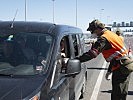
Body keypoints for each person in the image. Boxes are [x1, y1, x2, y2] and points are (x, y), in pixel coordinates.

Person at [76, 19, 132, 100]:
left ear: (98, 29)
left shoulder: (104, 39)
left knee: (118, 93)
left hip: (121, 68)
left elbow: (92, 54)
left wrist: (77, 60)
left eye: (92, 31)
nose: (92, 33)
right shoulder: (110, 34)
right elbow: (115, 55)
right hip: (124, 65)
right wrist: (109, 70)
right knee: (121, 92)